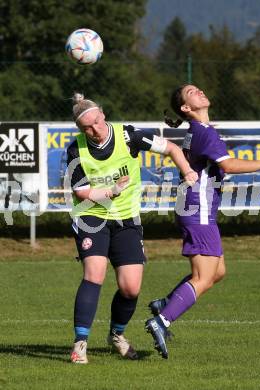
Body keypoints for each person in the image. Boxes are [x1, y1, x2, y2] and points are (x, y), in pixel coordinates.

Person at [145, 84, 260, 359]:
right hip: (197, 209)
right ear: (186, 108)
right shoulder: (203, 131)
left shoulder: (197, 131)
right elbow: (228, 166)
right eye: (191, 92)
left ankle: (166, 303)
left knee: (217, 272)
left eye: (198, 89)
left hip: (198, 209)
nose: (198, 91)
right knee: (204, 276)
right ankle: (161, 321)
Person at [67, 92, 198, 364]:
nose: (94, 130)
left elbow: (172, 148)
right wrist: (111, 190)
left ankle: (116, 335)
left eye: (96, 122)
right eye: (86, 127)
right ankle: (80, 344)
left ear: (103, 114)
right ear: (80, 129)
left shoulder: (128, 136)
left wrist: (186, 172)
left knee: (131, 288)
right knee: (95, 274)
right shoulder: (76, 148)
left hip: (126, 219)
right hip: (92, 216)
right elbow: (81, 192)